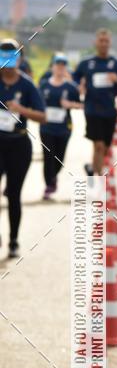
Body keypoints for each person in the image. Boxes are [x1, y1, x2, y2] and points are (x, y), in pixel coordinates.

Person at [0, 39, 46, 257]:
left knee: (13, 194)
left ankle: (13, 240)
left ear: (20, 58)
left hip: (19, 144)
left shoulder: (27, 85)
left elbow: (43, 116)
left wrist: (21, 109)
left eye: (12, 55)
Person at [73, 28, 117, 175]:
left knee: (105, 148)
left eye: (106, 41)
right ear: (95, 42)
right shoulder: (87, 63)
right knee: (98, 145)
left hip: (110, 110)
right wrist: (79, 86)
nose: (104, 44)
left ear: (110, 43)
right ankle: (98, 182)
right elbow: (73, 79)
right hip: (92, 109)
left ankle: (92, 167)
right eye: (101, 41)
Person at [39, 53, 83, 199]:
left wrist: (70, 104)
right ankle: (49, 184)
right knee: (48, 155)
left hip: (64, 127)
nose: (60, 68)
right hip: (46, 127)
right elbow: (36, 103)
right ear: (52, 67)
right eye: (57, 65)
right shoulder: (44, 84)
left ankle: (53, 176)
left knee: (59, 157)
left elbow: (81, 104)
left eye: (63, 66)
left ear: (66, 69)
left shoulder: (70, 87)